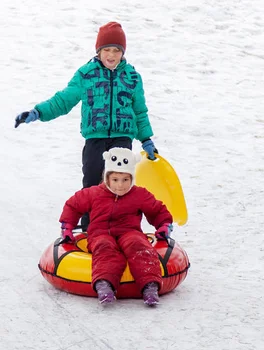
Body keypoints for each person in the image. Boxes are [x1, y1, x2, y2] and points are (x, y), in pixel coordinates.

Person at [15, 21, 158, 231]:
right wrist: (37, 113)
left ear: (123, 52)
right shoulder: (86, 74)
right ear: (98, 51)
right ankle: (90, 229)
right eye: (106, 50)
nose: (111, 55)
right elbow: (64, 100)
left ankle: (123, 228)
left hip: (122, 138)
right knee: (93, 181)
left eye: (116, 50)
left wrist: (146, 139)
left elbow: (139, 111)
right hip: (95, 139)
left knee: (121, 183)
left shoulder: (132, 77)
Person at [59, 147, 173, 306]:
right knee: (104, 247)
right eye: (115, 180)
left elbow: (157, 209)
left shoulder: (139, 194)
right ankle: (104, 284)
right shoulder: (94, 193)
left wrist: (164, 225)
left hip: (130, 232)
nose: (120, 185)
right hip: (100, 233)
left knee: (138, 245)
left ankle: (149, 284)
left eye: (125, 180)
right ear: (107, 178)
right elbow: (73, 205)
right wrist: (67, 227)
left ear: (132, 178)